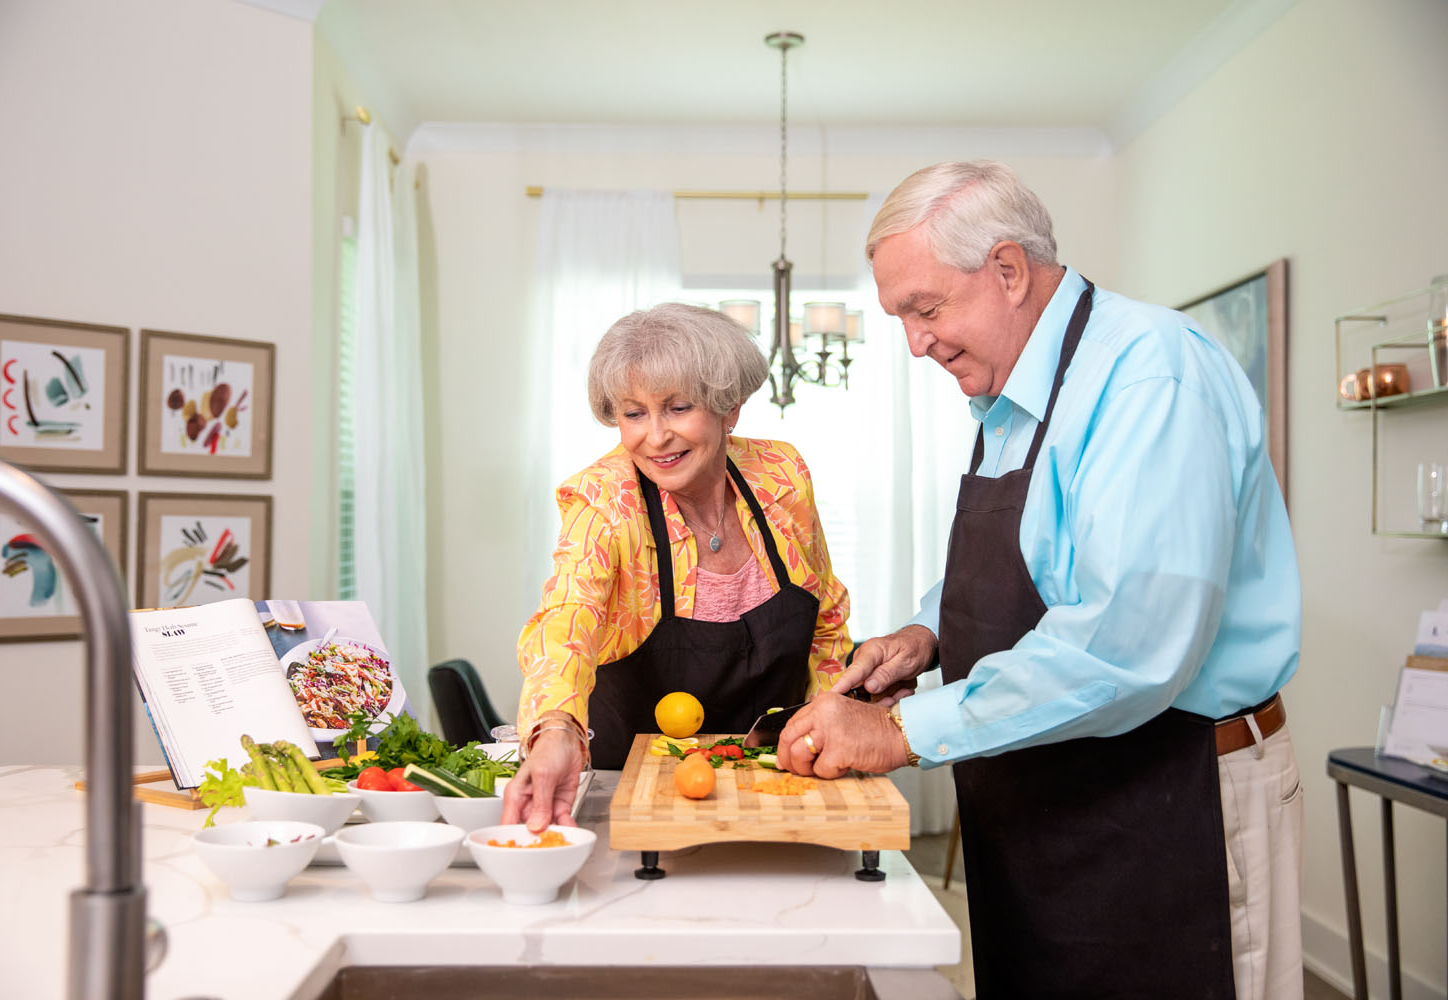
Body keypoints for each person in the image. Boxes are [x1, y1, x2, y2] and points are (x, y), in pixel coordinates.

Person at [776, 161, 1303, 1000]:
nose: (916, 342)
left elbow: (1126, 643)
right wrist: (929, 635)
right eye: (902, 317)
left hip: (1173, 797)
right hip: (1051, 796)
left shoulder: (1149, 375)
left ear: (1009, 271)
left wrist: (900, 732)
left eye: (926, 308)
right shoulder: (1011, 391)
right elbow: (1034, 563)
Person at [503, 302, 852, 831]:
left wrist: (836, 718)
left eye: (679, 407)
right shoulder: (604, 500)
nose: (656, 436)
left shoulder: (781, 475)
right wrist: (554, 731)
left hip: (781, 787)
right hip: (636, 802)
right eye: (634, 413)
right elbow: (564, 620)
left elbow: (825, 618)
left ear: (729, 407)